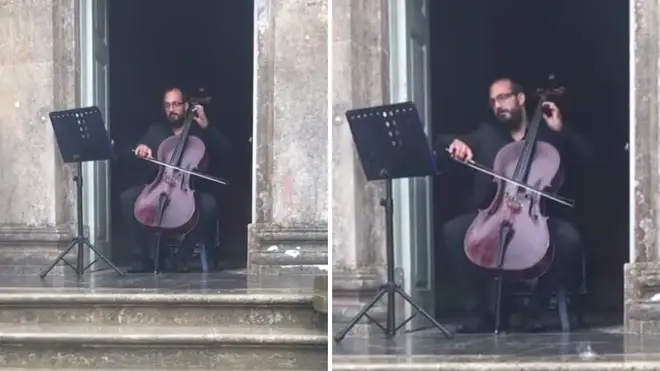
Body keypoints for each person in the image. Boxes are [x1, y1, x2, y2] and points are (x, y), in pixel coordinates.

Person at [436, 78, 596, 333]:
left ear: (520, 99)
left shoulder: (548, 133)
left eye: (503, 97)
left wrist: (561, 130)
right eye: (493, 101)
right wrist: (458, 143)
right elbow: (449, 140)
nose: (498, 105)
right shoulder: (488, 134)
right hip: (498, 213)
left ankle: (537, 309)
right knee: (454, 232)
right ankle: (480, 313)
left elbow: (588, 158)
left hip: (540, 216)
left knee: (569, 240)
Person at [120, 87, 231, 273]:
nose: (172, 109)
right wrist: (140, 148)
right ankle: (144, 258)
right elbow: (132, 150)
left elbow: (226, 152)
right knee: (127, 198)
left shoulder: (199, 131)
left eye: (176, 104)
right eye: (168, 105)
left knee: (209, 205)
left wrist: (208, 127)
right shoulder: (156, 131)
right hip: (160, 185)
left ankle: (182, 257)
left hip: (190, 189)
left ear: (186, 106)